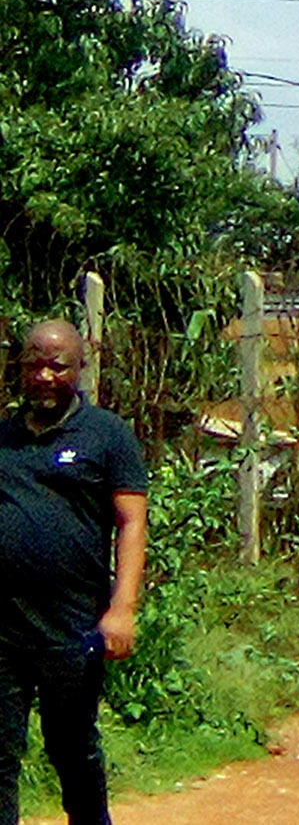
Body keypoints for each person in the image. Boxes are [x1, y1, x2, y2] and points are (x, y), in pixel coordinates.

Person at [0, 320, 147, 825]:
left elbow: (131, 523)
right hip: (4, 628)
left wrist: (122, 608)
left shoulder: (107, 435)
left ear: (79, 368)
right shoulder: (4, 439)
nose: (43, 375)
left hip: (75, 626)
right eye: (33, 363)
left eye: (56, 365)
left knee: (72, 747)